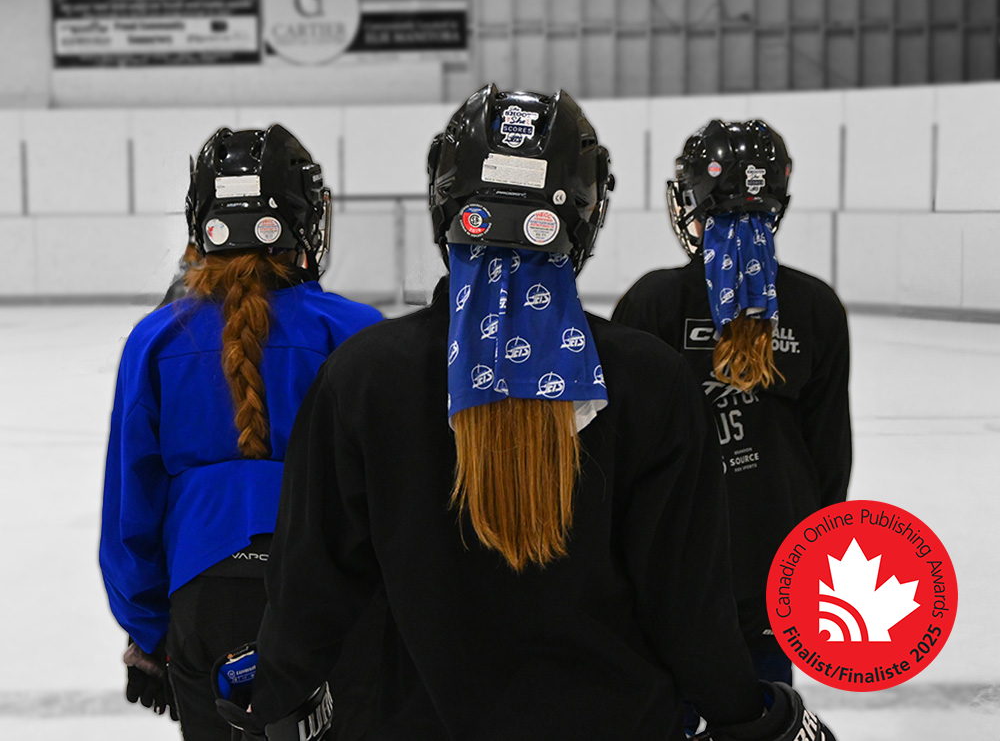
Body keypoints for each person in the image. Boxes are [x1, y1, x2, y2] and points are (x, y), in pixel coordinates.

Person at [216, 87, 836, 741]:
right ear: (588, 214)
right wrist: (754, 715)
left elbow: (312, 585)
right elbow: (687, 608)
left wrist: (278, 699)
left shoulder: (363, 377)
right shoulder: (652, 380)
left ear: (445, 203)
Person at [99, 124, 383, 740]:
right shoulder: (360, 333)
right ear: (306, 222)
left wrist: (150, 634)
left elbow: (131, 510)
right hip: (335, 595)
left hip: (204, 600)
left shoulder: (157, 340)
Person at [612, 119, 852, 690]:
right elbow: (829, 458)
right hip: (775, 572)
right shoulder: (816, 307)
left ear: (692, 201)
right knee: (760, 708)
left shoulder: (654, 303)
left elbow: (616, 453)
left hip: (670, 567)